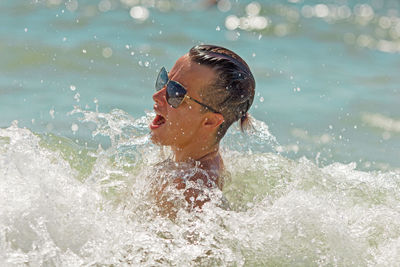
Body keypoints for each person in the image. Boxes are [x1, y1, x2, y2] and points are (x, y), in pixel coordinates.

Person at [149, 44, 255, 218]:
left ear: (210, 121)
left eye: (175, 93)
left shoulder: (192, 195)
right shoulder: (197, 164)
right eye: (164, 80)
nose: (158, 96)